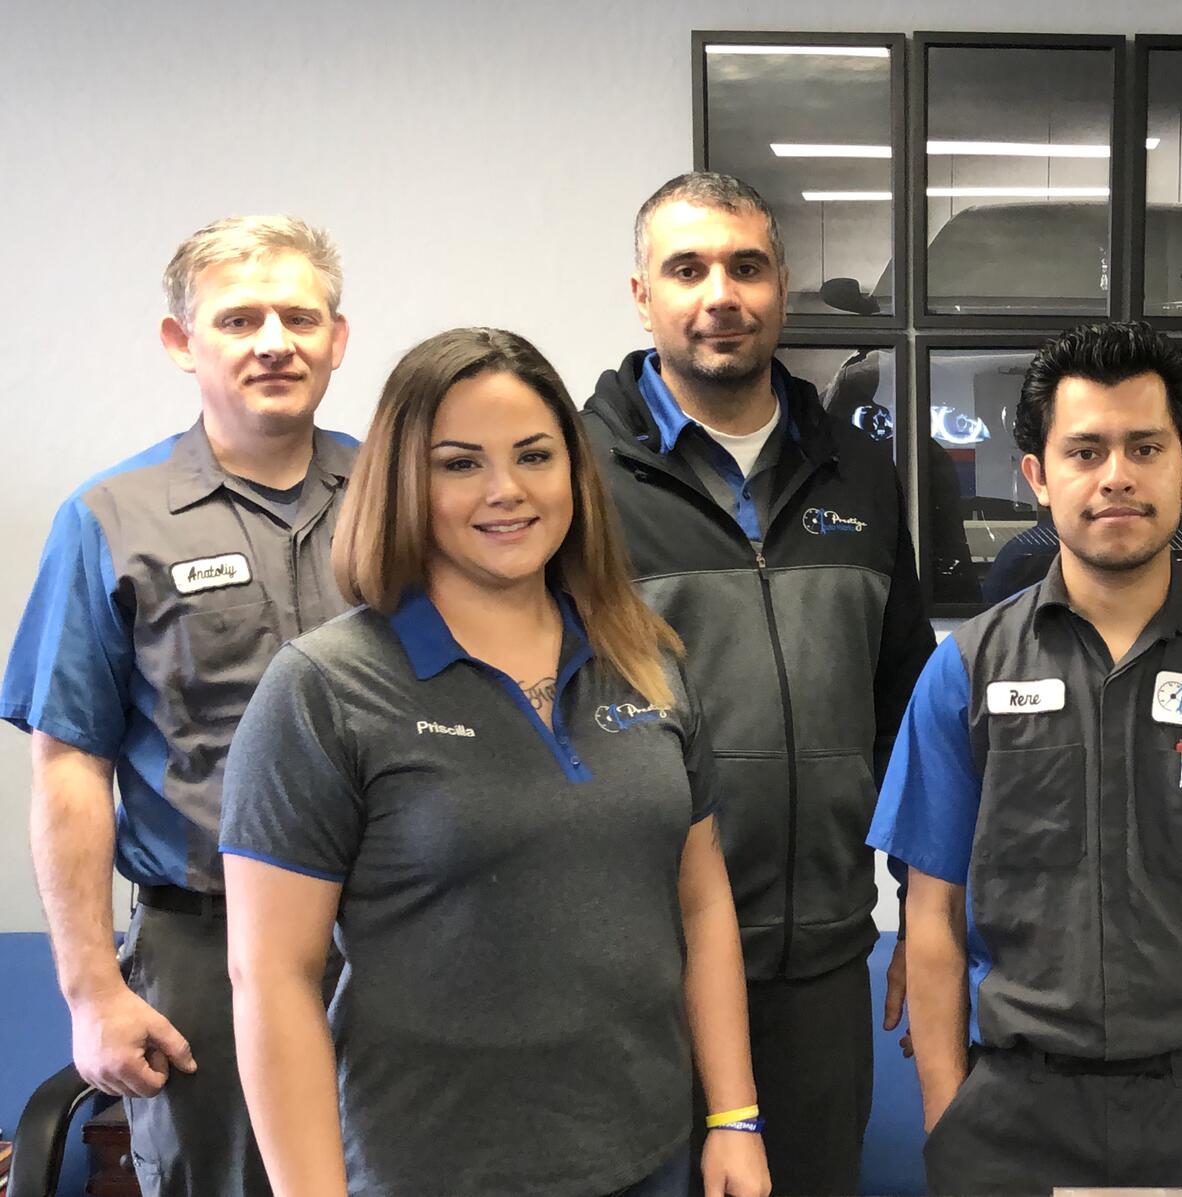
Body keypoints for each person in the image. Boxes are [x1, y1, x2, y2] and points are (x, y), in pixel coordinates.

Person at [217, 328, 771, 1197]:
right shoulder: (323, 688)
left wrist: (733, 1114)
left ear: (574, 473)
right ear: (405, 482)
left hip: (646, 1157)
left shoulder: (646, 660)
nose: (506, 489)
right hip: (428, 1171)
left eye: (534, 455)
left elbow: (700, 902)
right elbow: (272, 976)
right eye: (460, 463)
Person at [870, 321, 1182, 1195]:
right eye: (1086, 450)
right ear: (1037, 475)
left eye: (1145, 447)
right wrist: (950, 1119)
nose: (1117, 476)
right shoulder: (968, 670)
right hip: (1011, 1114)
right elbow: (932, 914)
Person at [582, 171, 935, 1196]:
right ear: (641, 294)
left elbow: (904, 713)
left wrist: (921, 907)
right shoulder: (577, 475)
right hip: (638, 967)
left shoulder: (858, 471)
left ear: (781, 284)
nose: (719, 295)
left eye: (745, 267)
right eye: (686, 269)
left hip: (822, 958)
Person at [1, 214, 354, 1196]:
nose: (274, 342)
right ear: (180, 342)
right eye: (239, 320)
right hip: (206, 945)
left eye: (299, 317)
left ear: (337, 338)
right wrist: (90, 991)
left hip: (399, 931)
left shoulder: (400, 494)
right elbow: (70, 766)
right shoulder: (110, 519)